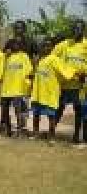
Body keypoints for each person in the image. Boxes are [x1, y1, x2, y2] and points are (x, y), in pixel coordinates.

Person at [31, 38, 77, 142]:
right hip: (38, 93)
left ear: (52, 48)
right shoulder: (40, 60)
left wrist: (77, 75)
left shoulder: (55, 59)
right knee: (36, 114)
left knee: (51, 116)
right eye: (44, 46)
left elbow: (66, 71)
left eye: (48, 46)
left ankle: (51, 137)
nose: (46, 48)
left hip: (50, 94)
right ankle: (35, 134)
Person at [51, 18, 87, 146]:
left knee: (79, 111)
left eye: (79, 28)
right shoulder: (65, 44)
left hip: (80, 86)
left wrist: (84, 73)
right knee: (59, 108)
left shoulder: (85, 44)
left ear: (83, 30)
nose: (76, 31)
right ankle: (52, 132)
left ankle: (76, 136)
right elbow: (53, 57)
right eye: (74, 28)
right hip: (64, 85)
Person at [0, 38, 33, 137]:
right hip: (6, 89)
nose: (15, 46)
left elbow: (29, 72)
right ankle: (8, 130)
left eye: (17, 44)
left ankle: (19, 131)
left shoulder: (24, 56)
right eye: (13, 44)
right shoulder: (6, 57)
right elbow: (1, 73)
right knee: (5, 111)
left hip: (17, 89)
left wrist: (28, 86)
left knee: (17, 111)